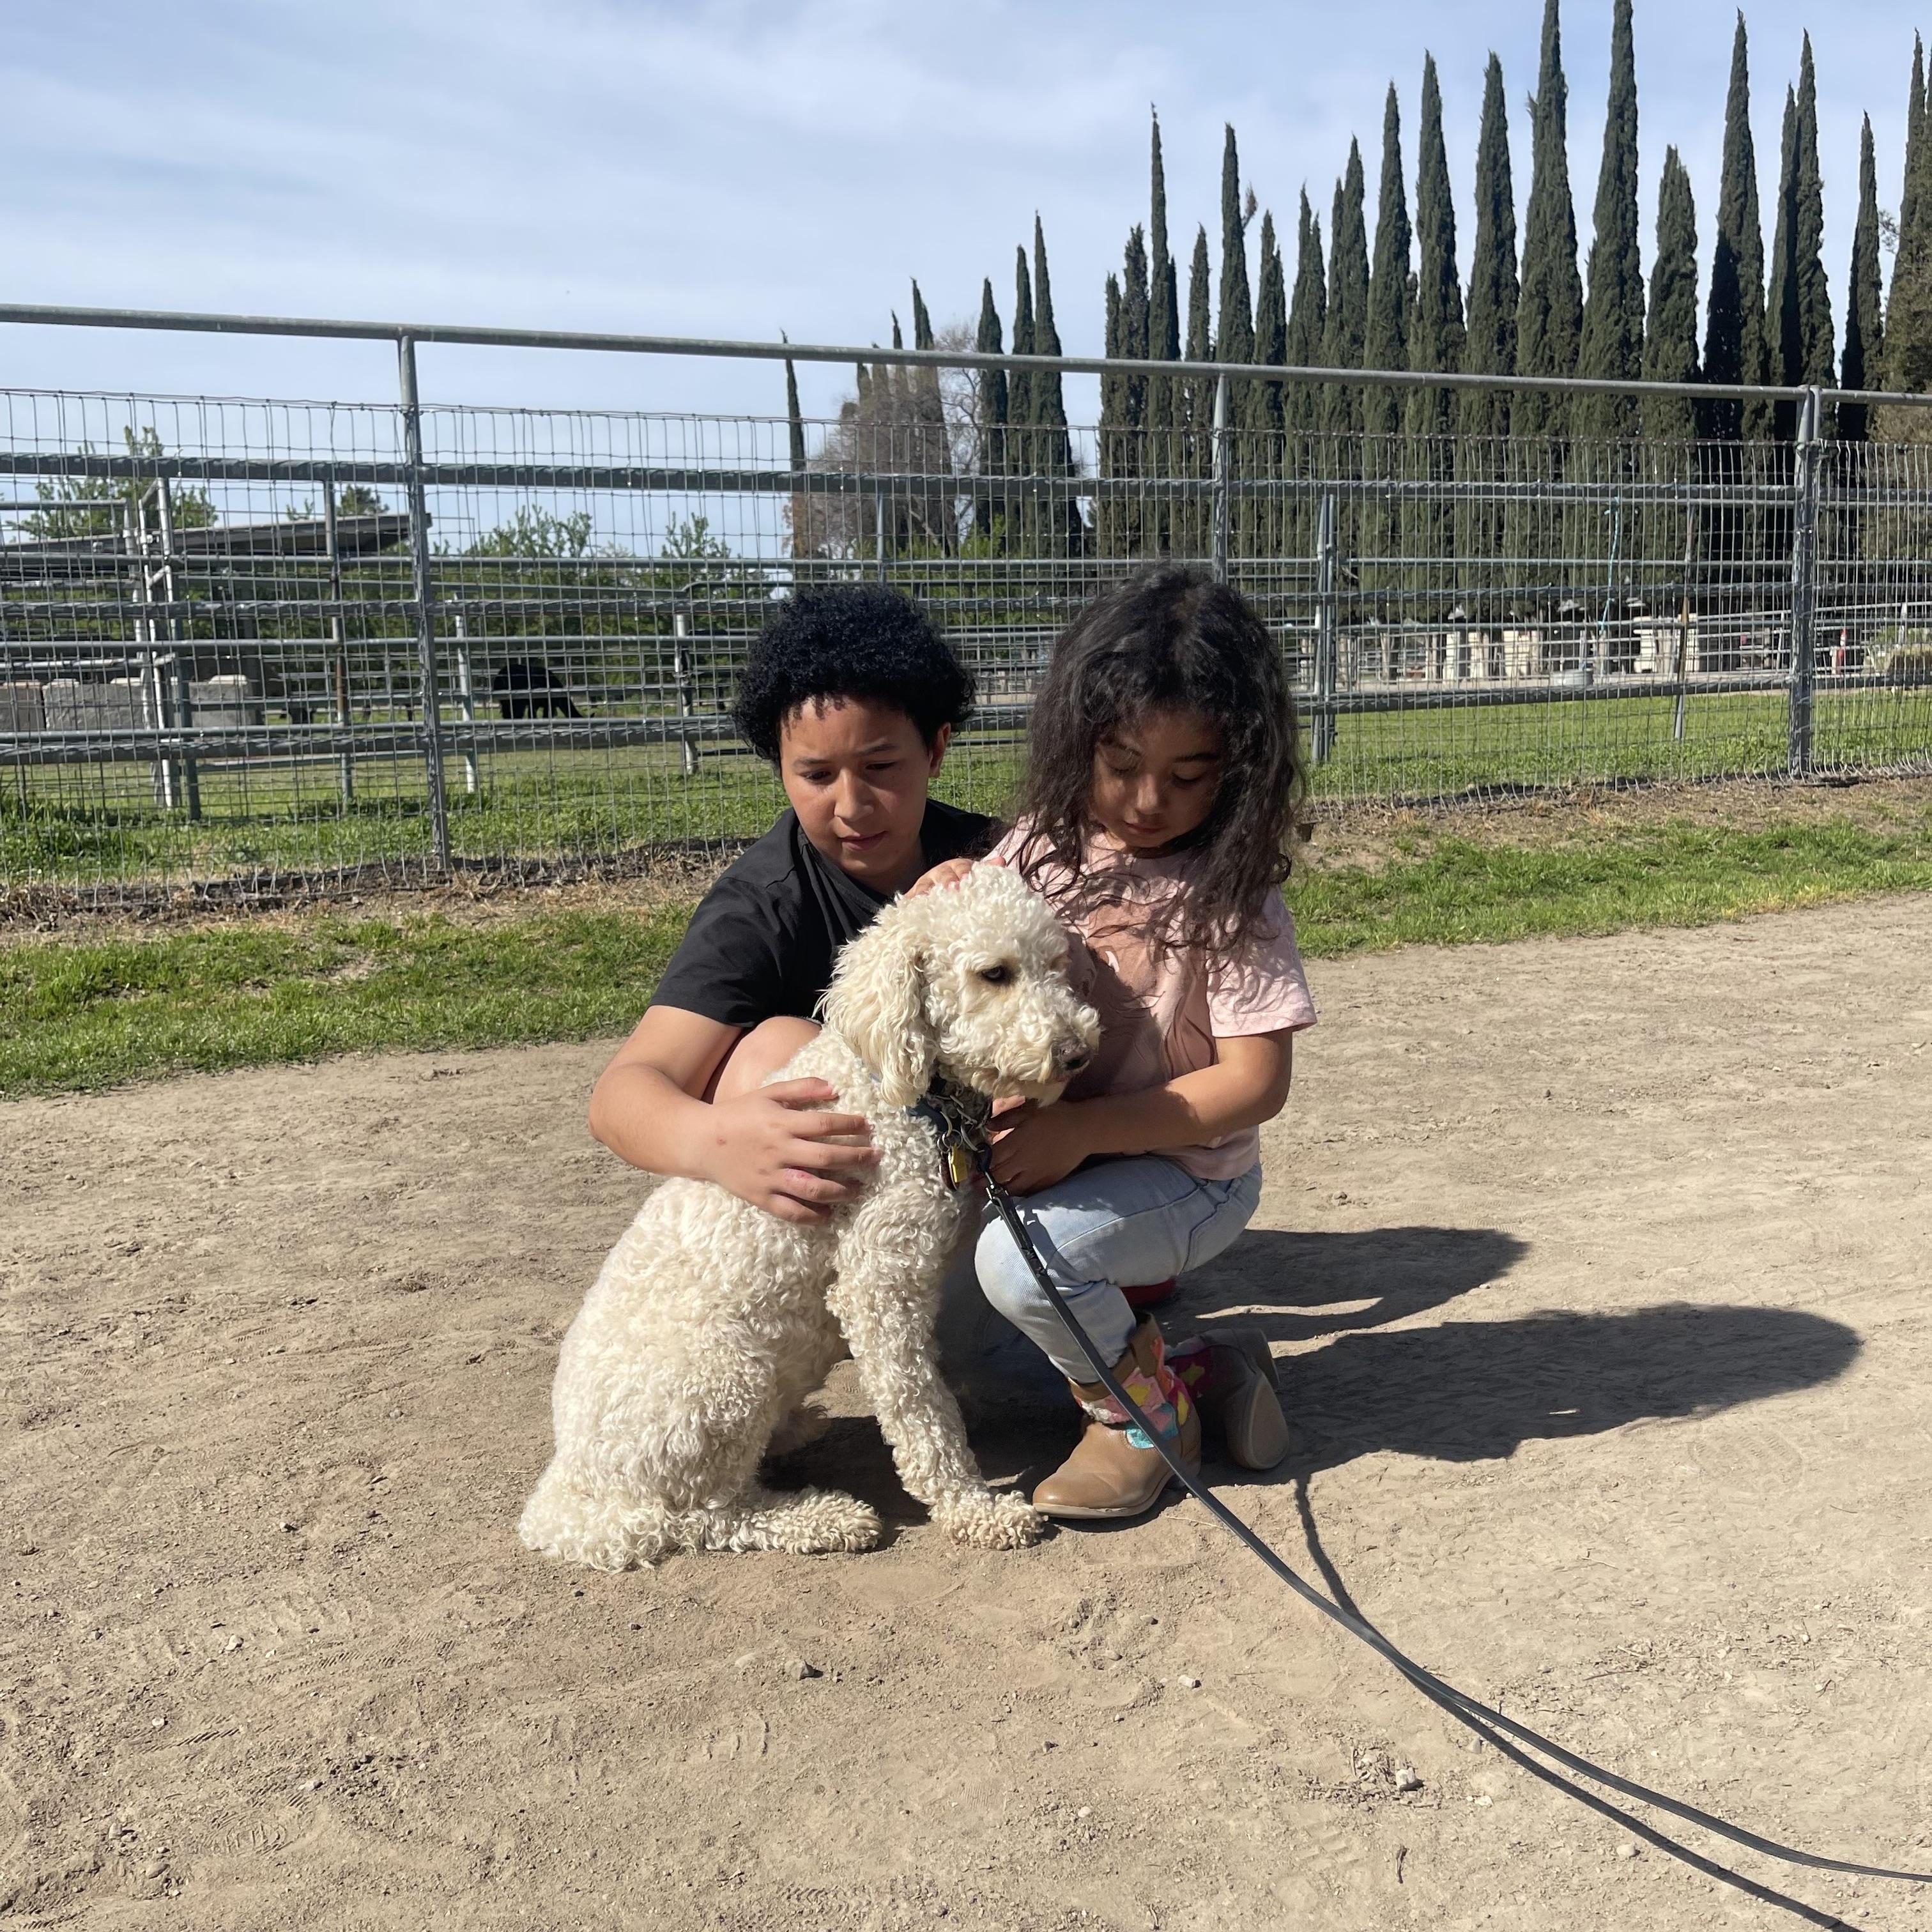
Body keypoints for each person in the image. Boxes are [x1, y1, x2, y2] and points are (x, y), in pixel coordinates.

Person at [928, 564, 1315, 1521]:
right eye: (1121, 764)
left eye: (1189, 776)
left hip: (1190, 1172)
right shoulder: (1036, 850)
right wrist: (945, 893)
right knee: (965, 1353)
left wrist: (1086, 1134)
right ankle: (1195, 1368)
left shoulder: (1233, 897)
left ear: (1241, 767)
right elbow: (967, 948)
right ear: (1077, 743)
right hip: (1063, 1167)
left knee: (1024, 1271)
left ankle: (1144, 1423)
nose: (1148, 801)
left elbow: (1257, 1086)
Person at [588, 585, 988, 1215]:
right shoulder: (764, 904)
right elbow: (623, 1094)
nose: (852, 806)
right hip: (860, 1201)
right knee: (775, 1053)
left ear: (935, 749)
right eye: (817, 775)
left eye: (881, 766)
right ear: (780, 765)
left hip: (994, 1170)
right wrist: (717, 1143)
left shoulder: (995, 864)